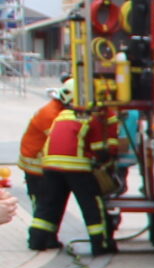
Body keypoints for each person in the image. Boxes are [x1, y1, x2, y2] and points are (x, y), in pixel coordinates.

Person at [29, 99, 119, 256]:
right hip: (77, 168)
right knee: (92, 206)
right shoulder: (93, 117)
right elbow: (99, 149)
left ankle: (37, 241)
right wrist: (106, 162)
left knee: (48, 204)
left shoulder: (62, 115)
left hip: (50, 166)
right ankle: (100, 245)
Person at [20, 82, 70, 250]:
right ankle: (42, 238)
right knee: (43, 203)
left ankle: (49, 237)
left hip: (43, 164)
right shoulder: (51, 114)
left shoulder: (57, 109)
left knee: (50, 202)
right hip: (36, 166)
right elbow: (58, 140)